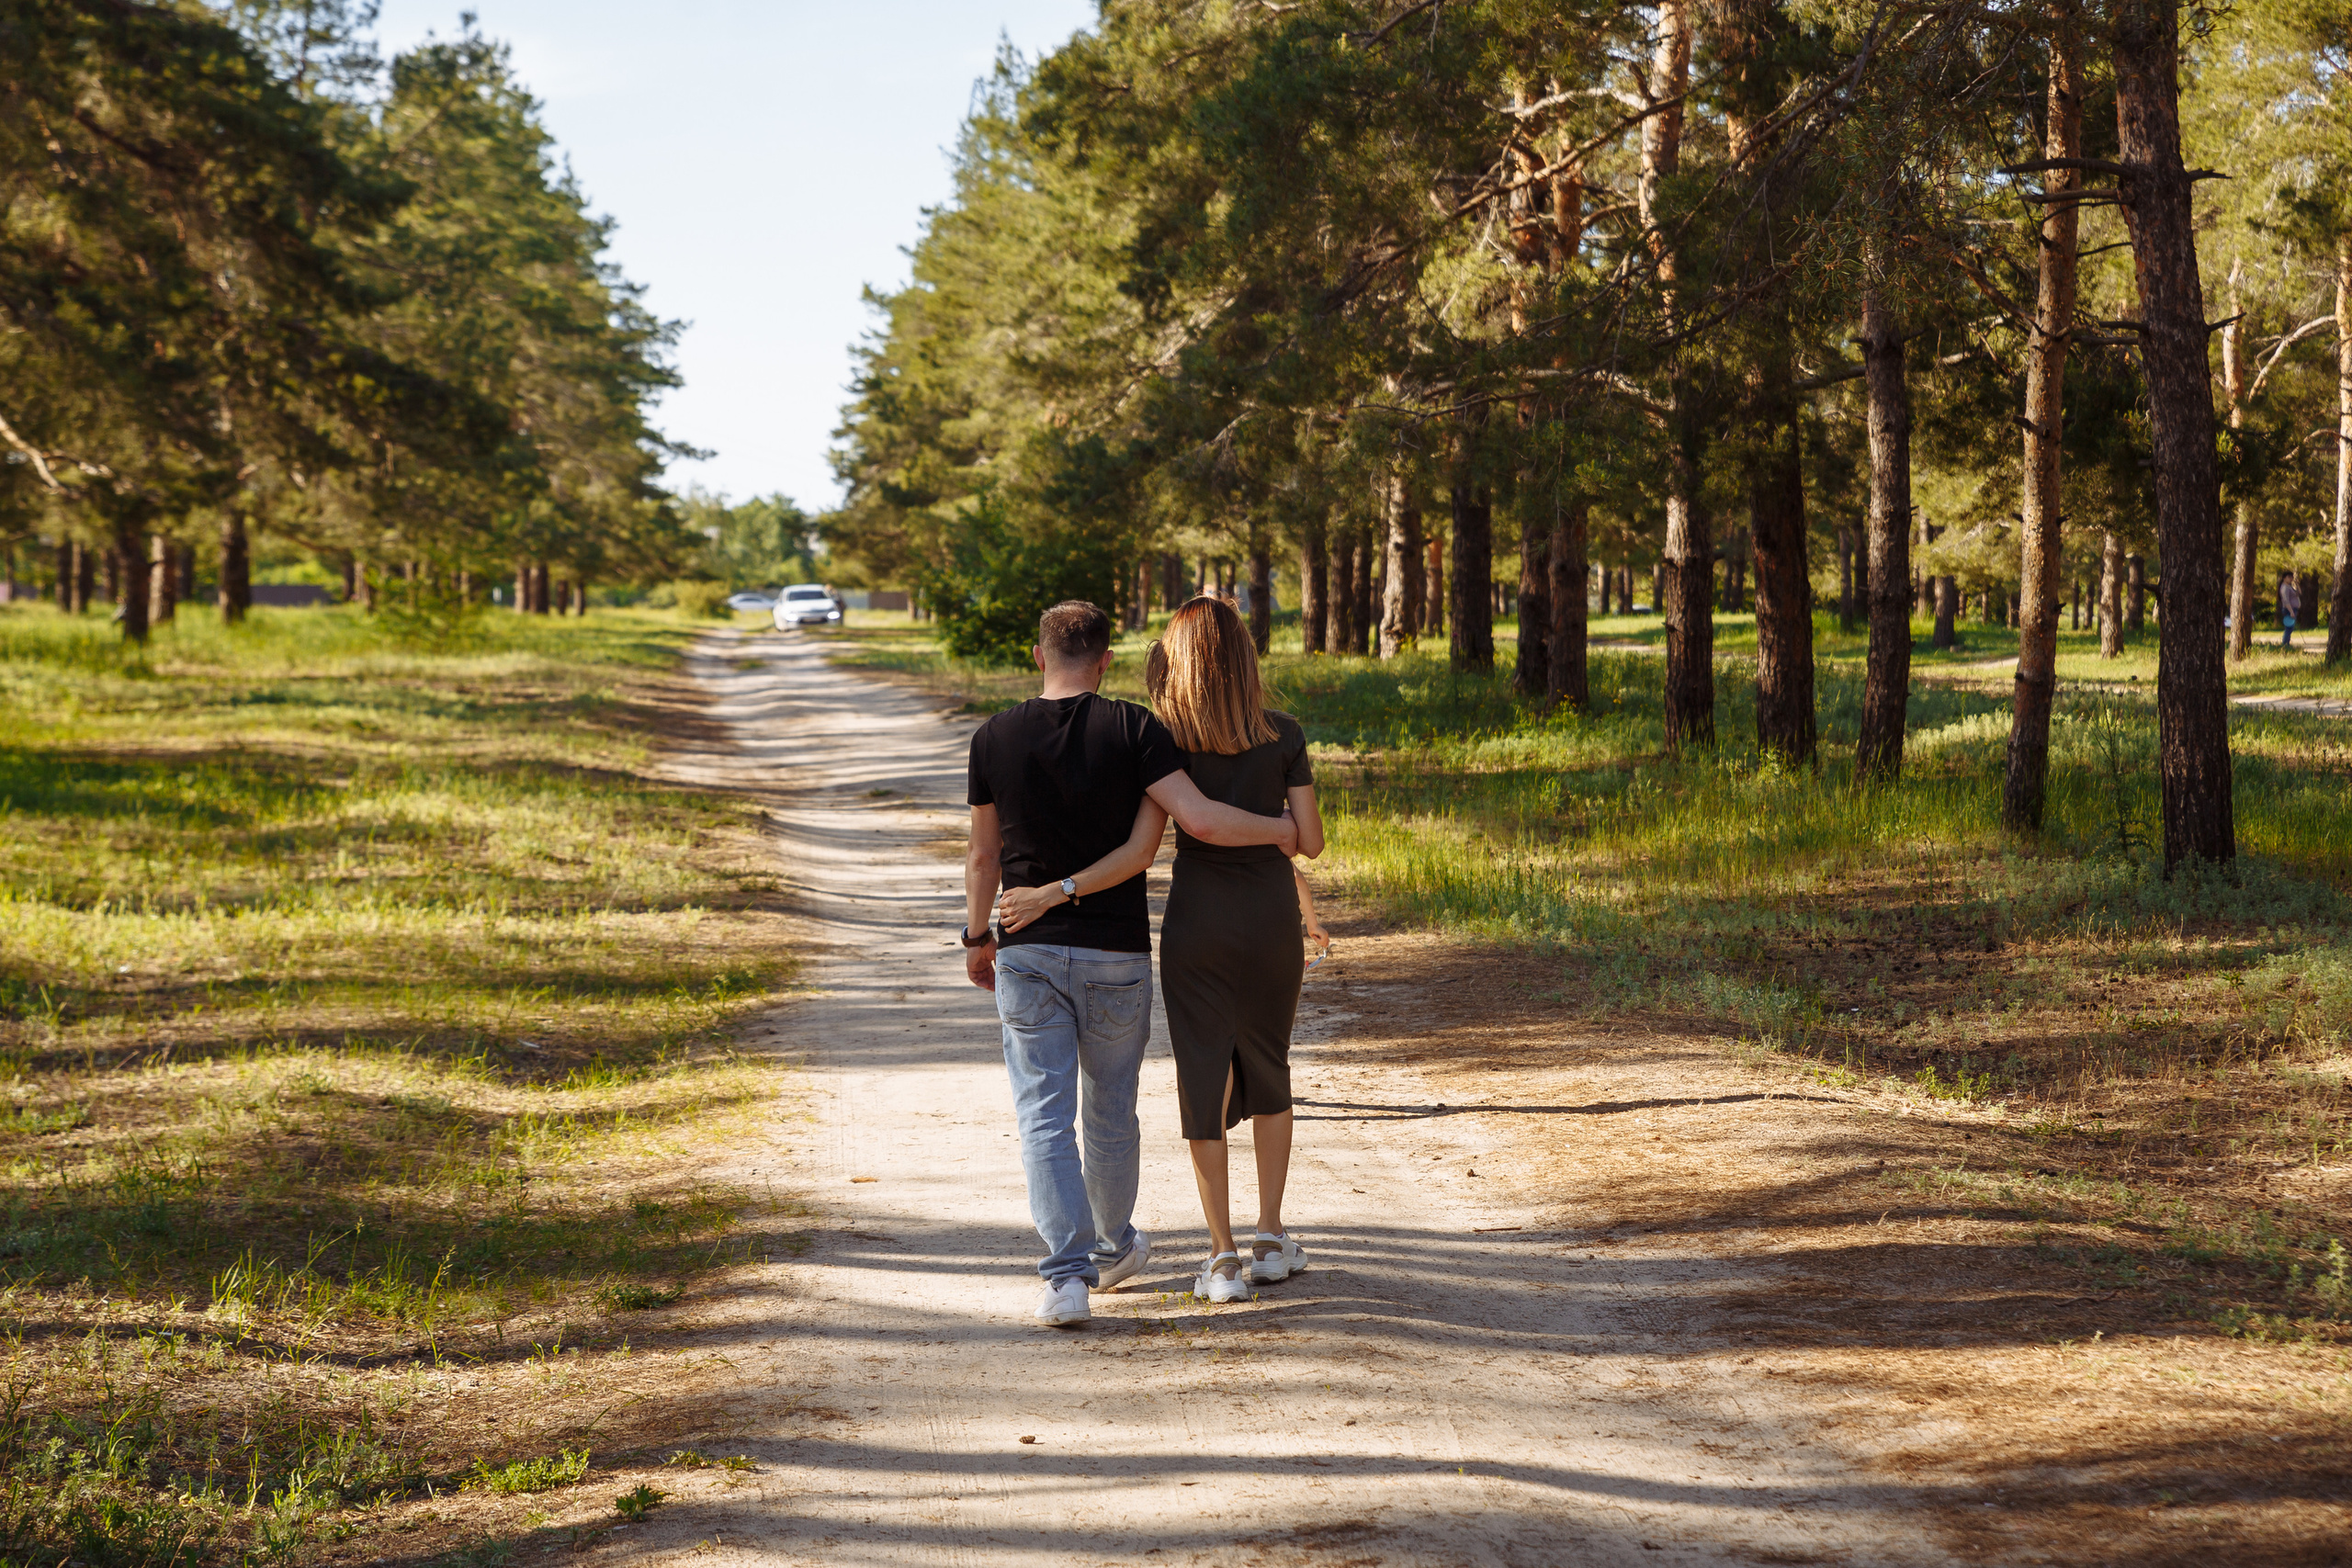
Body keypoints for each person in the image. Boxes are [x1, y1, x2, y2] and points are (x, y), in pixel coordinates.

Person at [964, 600, 1297, 1327]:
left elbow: (983, 854)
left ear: (1036, 653)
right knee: (1110, 1108)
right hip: (1116, 951)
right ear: (1107, 659)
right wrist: (1286, 830)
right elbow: (1187, 826)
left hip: (1025, 947)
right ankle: (1114, 1244)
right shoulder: (1135, 728)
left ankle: (1067, 1277)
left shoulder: (992, 736)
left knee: (1042, 1114)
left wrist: (976, 935)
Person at [1148, 597, 1327, 1303]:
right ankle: (1271, 1235)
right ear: (1247, 658)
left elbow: (1180, 828)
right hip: (1271, 915)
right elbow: (1307, 839)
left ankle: (1220, 1257)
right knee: (1270, 1061)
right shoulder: (1283, 733)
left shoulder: (1163, 741)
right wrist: (1277, 827)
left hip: (1198, 918)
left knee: (1203, 1073)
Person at [2280, 571, 2301, 650]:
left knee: (2291, 628)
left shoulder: (2289, 587)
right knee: (2289, 628)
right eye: (2289, 577)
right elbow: (2286, 601)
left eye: (2291, 577)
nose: (2291, 579)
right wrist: (2291, 611)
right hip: (2289, 610)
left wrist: (2297, 584)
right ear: (2284, 578)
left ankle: (2286, 643)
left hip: (2293, 609)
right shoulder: (2284, 588)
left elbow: (2298, 593)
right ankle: (2285, 644)